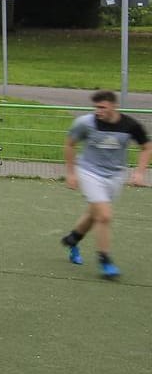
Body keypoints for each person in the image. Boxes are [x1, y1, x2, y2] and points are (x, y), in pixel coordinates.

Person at [61, 90, 150, 279]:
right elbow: (69, 144)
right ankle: (105, 260)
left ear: (113, 106)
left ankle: (73, 239)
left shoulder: (130, 125)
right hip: (89, 171)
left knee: (95, 213)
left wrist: (140, 172)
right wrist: (70, 173)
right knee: (105, 216)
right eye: (96, 107)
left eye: (102, 107)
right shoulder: (85, 123)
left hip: (116, 175)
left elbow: (146, 147)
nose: (97, 111)